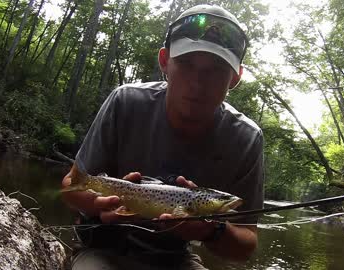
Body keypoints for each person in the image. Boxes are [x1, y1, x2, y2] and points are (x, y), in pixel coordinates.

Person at [61, 4, 264, 270]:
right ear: (165, 62)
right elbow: (70, 187)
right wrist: (98, 205)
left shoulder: (246, 139)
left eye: (215, 70)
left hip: (175, 259)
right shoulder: (126, 101)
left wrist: (207, 231)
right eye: (186, 64)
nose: (197, 82)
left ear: (235, 78)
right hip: (104, 248)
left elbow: (246, 245)